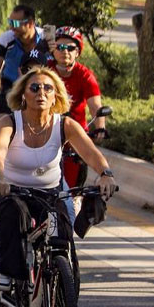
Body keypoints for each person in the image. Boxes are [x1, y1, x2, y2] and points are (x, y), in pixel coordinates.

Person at [0, 67, 117, 290]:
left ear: (56, 95)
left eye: (49, 88)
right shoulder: (10, 122)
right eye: (35, 88)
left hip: (49, 195)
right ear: (23, 95)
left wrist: (105, 174)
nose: (42, 93)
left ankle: (63, 298)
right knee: (15, 216)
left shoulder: (64, 124)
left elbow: (91, 153)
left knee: (63, 234)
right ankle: (6, 272)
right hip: (10, 192)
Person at [49, 26, 106, 187]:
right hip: (47, 132)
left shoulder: (85, 76)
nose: (64, 51)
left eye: (70, 48)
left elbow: (95, 106)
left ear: (78, 52)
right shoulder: (45, 71)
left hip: (75, 136)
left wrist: (100, 127)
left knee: (72, 188)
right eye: (60, 47)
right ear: (53, 50)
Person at [0, 5, 47, 113]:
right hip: (11, 86)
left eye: (15, 23)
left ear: (30, 23)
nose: (11, 27)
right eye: (10, 22)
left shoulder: (45, 38)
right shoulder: (6, 39)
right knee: (5, 121)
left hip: (39, 87)